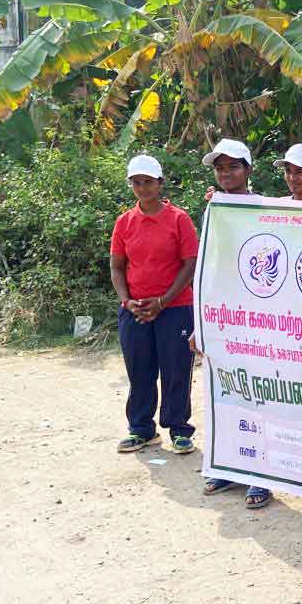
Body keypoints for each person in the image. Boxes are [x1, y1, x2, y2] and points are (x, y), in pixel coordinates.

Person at [199, 139, 273, 509]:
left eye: (233, 166)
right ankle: (228, 465)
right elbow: (207, 267)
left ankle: (261, 476)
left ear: (248, 170)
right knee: (224, 392)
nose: (226, 173)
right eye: (220, 167)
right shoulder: (214, 209)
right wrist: (201, 322)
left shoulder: (265, 208)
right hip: (224, 320)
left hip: (259, 321)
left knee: (258, 395)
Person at [110, 154, 199, 455]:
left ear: (160, 183)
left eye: (148, 181)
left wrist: (162, 301)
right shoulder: (124, 222)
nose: (142, 187)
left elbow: (189, 265)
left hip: (175, 308)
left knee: (176, 371)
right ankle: (141, 429)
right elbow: (117, 267)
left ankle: (179, 430)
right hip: (135, 310)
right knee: (140, 371)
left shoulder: (179, 219)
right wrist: (127, 301)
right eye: (136, 182)